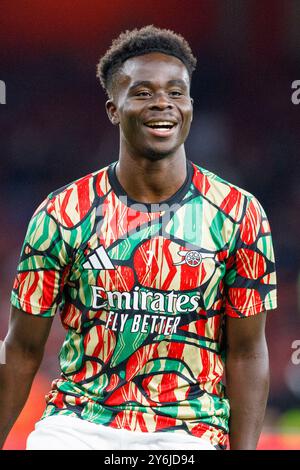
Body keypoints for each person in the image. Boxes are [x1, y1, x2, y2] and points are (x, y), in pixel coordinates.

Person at [0, 25, 277, 450]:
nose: (163, 103)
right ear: (114, 109)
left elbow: (247, 352)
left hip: (189, 434)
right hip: (78, 427)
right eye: (143, 92)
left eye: (176, 92)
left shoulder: (239, 215)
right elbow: (20, 349)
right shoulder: (61, 214)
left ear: (190, 104)